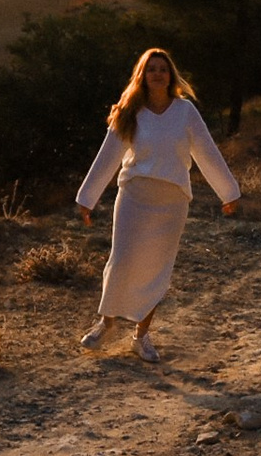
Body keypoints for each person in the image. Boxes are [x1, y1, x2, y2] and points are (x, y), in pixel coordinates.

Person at [74, 46, 240, 362]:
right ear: (143, 75)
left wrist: (228, 192)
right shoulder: (130, 111)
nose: (158, 74)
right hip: (134, 196)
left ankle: (141, 337)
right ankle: (105, 323)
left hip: (172, 201)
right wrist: (87, 199)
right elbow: (108, 155)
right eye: (152, 69)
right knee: (122, 259)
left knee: (156, 270)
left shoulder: (185, 112)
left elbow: (206, 151)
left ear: (171, 75)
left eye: (163, 69)